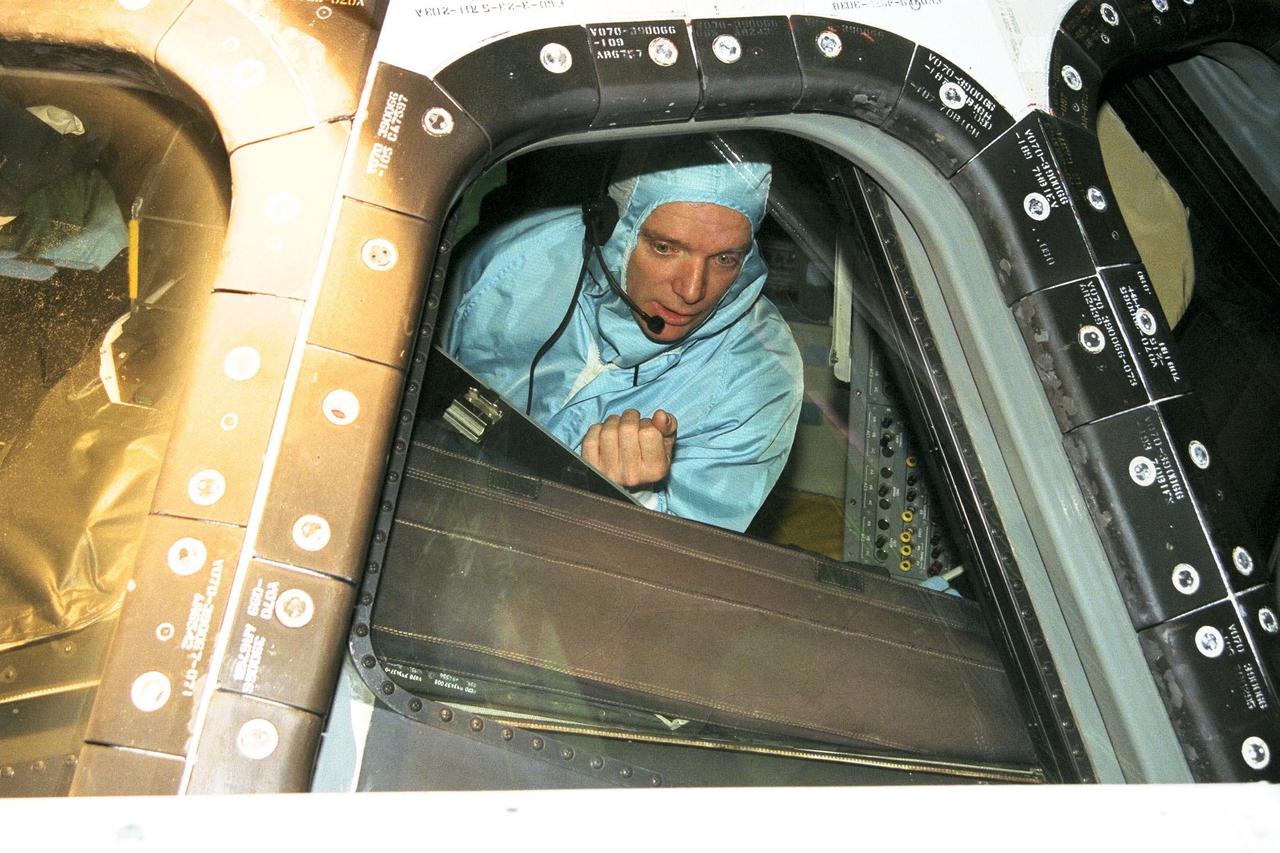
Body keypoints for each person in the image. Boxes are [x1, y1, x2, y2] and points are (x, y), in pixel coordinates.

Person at [442, 138, 802, 532]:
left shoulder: (761, 373)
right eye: (665, 248)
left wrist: (635, 502)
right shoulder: (510, 261)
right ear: (610, 227)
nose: (693, 290)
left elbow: (689, 560)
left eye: (724, 259)